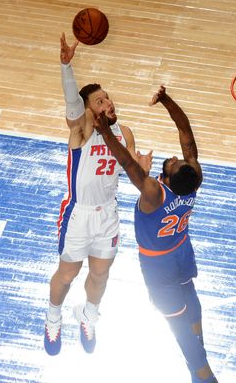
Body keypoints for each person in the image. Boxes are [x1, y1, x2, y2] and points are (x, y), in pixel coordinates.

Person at [94, 86, 216, 383]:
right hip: (181, 250)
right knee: (189, 292)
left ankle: (202, 374)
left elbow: (126, 164)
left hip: (158, 264)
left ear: (169, 177)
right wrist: (165, 99)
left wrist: (104, 132)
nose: (174, 156)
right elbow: (185, 130)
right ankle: (198, 344)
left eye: (173, 163)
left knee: (176, 323)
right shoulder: (193, 180)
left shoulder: (154, 193)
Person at [44, 33, 144, 356]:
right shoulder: (82, 129)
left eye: (108, 98)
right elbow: (73, 103)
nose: (108, 103)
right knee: (68, 273)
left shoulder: (124, 132)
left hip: (107, 214)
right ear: (88, 111)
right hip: (79, 215)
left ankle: (88, 316)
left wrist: (140, 170)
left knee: (100, 275)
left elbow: (130, 176)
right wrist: (66, 65)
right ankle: (53, 317)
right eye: (100, 101)